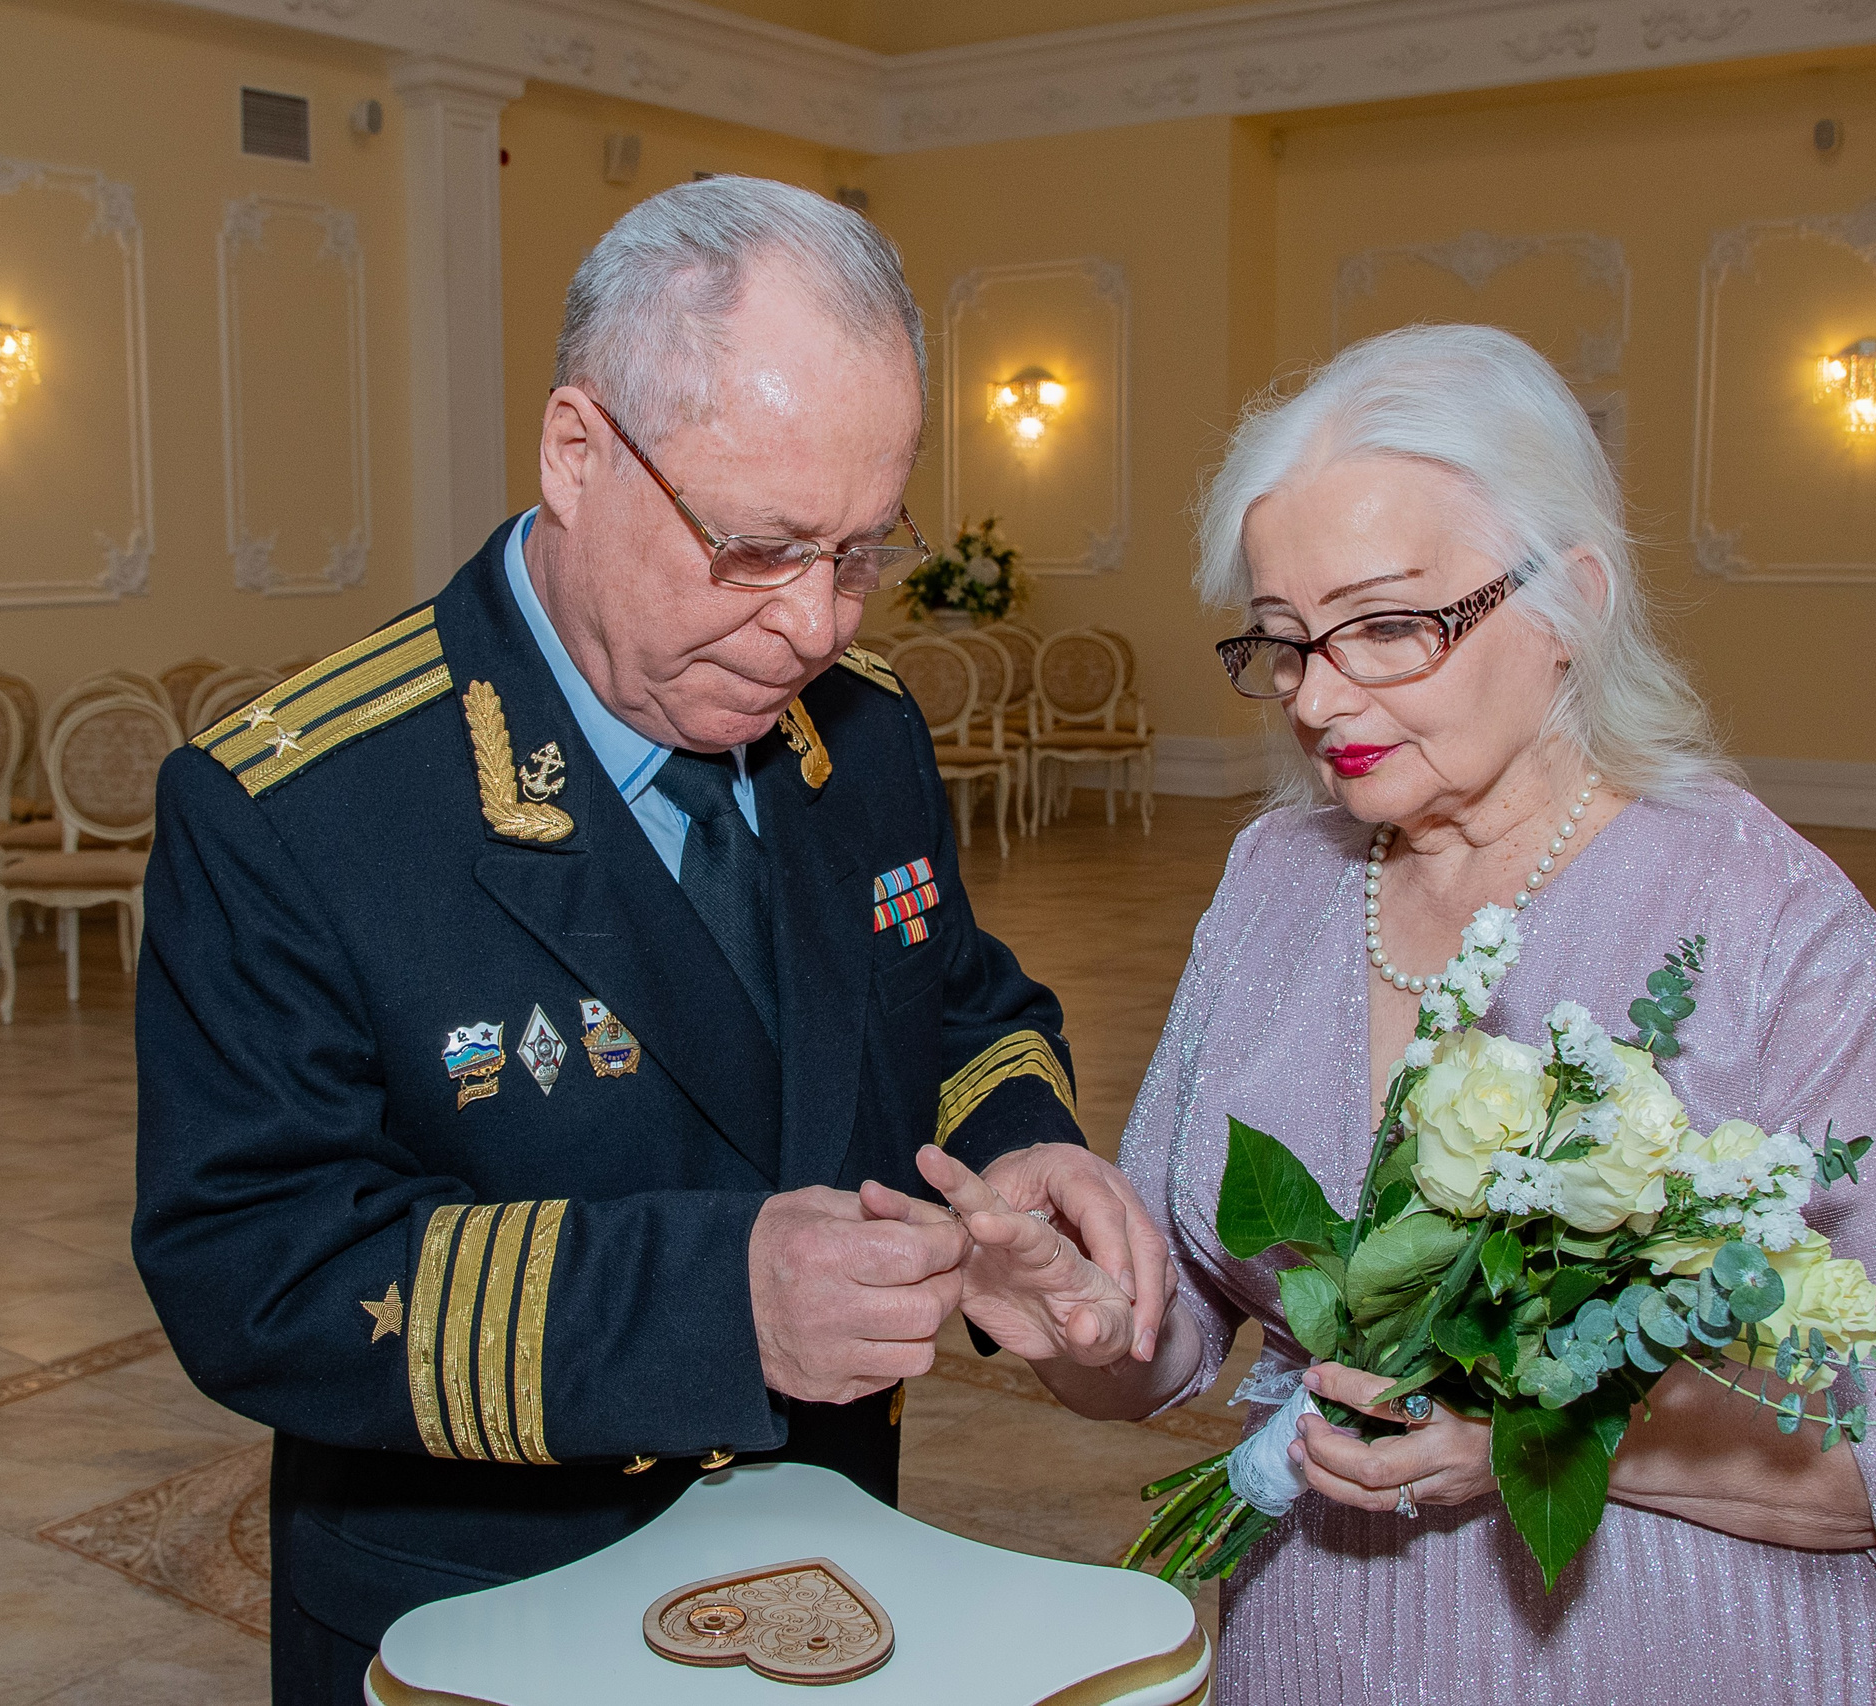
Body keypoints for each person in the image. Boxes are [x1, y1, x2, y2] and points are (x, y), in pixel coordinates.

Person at [131, 177, 1160, 1705]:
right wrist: (717, 1301)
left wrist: (1020, 1153)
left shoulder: (862, 738)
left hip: (830, 1586)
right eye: (758, 546)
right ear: (578, 451)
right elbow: (255, 1265)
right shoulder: (303, 804)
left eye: (864, 550)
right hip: (486, 1617)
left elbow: (951, 1005)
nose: (814, 623)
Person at [964, 324, 1876, 1704]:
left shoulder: (1757, 918)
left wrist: (1564, 1433)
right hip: (1317, 1648)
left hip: (1666, 1654)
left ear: (1571, 605)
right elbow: (1186, 1333)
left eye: (1387, 625)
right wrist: (1087, 1319)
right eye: (1280, 643)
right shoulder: (1276, 880)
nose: (1318, 697)